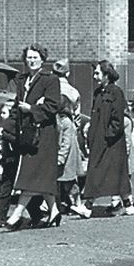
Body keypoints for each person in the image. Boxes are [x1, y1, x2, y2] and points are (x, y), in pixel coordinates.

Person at [3, 45, 61, 230]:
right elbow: (15, 107)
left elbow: (53, 107)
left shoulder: (50, 80)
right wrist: (7, 130)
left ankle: (17, 213)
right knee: (39, 175)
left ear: (42, 59)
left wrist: (32, 109)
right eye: (29, 57)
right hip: (27, 134)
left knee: (30, 173)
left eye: (35, 57)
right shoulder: (22, 80)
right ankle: (54, 211)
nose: (32, 60)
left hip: (44, 135)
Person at [82, 60, 133, 217]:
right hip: (99, 139)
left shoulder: (116, 92)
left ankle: (87, 206)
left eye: (98, 73)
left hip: (111, 142)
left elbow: (117, 119)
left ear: (106, 75)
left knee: (99, 172)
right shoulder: (98, 93)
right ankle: (128, 204)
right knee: (116, 174)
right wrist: (90, 134)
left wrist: (108, 136)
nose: (95, 76)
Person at [52, 59, 87, 219]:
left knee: (60, 174)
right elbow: (78, 119)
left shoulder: (49, 90)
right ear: (67, 73)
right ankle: (70, 202)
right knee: (69, 173)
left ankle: (59, 204)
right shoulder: (74, 92)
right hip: (70, 134)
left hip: (54, 136)